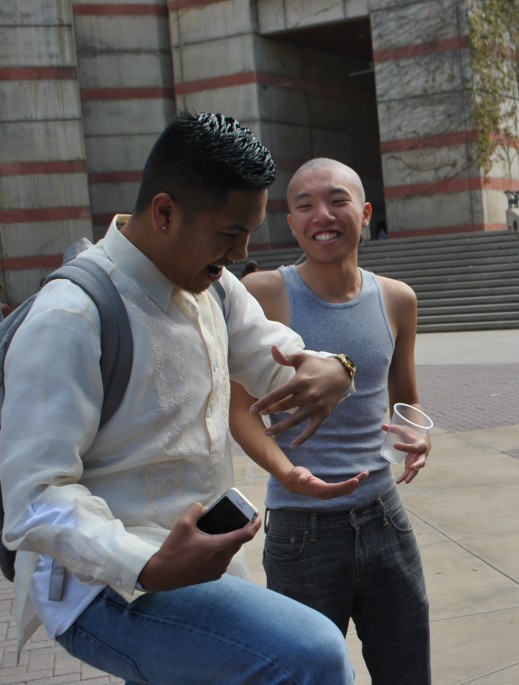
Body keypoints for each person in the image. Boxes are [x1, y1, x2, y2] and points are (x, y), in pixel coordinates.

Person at [0, 111, 359, 684]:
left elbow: (275, 355)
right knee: (311, 653)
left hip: (202, 563)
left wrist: (332, 369)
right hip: (105, 586)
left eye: (248, 234)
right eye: (228, 234)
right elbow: (33, 499)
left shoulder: (214, 285)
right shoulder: (72, 316)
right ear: (165, 212)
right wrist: (147, 564)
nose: (240, 252)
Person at [230, 158, 431, 684]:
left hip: (385, 519)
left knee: (408, 672)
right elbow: (240, 413)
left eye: (337, 200)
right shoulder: (265, 295)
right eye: (305, 206)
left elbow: (404, 402)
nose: (323, 214)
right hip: (302, 531)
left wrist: (416, 437)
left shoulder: (397, 299)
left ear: (364, 213)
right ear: (291, 223)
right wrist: (286, 472)